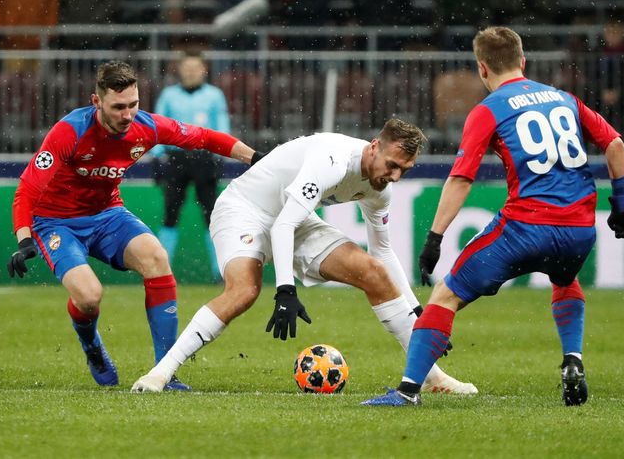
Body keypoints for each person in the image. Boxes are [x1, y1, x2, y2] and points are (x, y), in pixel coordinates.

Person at [362, 26, 624, 407]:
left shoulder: (488, 110)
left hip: (526, 228)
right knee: (565, 278)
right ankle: (572, 359)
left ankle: (408, 391)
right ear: (523, 62)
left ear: (482, 69)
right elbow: (615, 143)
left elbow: (461, 179)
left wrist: (435, 238)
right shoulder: (565, 99)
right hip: (578, 229)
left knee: (445, 296)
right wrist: (622, 206)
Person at [131, 118, 477, 395]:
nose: (396, 176)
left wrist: (417, 311)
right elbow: (282, 225)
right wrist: (285, 291)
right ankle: (161, 373)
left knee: (372, 272)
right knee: (244, 291)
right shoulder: (332, 160)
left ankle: (432, 377)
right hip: (245, 209)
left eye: (405, 170)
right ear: (374, 146)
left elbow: (382, 251)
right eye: (392, 165)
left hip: (295, 218)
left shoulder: (379, 188)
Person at [7, 60, 263, 390]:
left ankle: (164, 371)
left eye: (133, 104)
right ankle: (92, 346)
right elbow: (28, 188)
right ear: (96, 102)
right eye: (118, 107)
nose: (128, 115)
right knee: (89, 296)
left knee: (156, 257)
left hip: (107, 214)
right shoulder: (69, 131)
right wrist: (24, 239)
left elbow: (203, 137)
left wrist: (254, 157)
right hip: (57, 223)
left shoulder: (147, 127)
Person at [150, 52, 231, 281]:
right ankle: (160, 271)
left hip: (204, 159)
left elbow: (222, 124)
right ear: (180, 70)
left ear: (203, 70)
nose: (191, 72)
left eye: (195, 67)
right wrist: (157, 156)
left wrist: (220, 154)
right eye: (187, 67)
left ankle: (220, 271)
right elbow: (158, 125)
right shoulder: (169, 95)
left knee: (212, 217)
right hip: (176, 159)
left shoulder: (214, 96)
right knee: (170, 214)